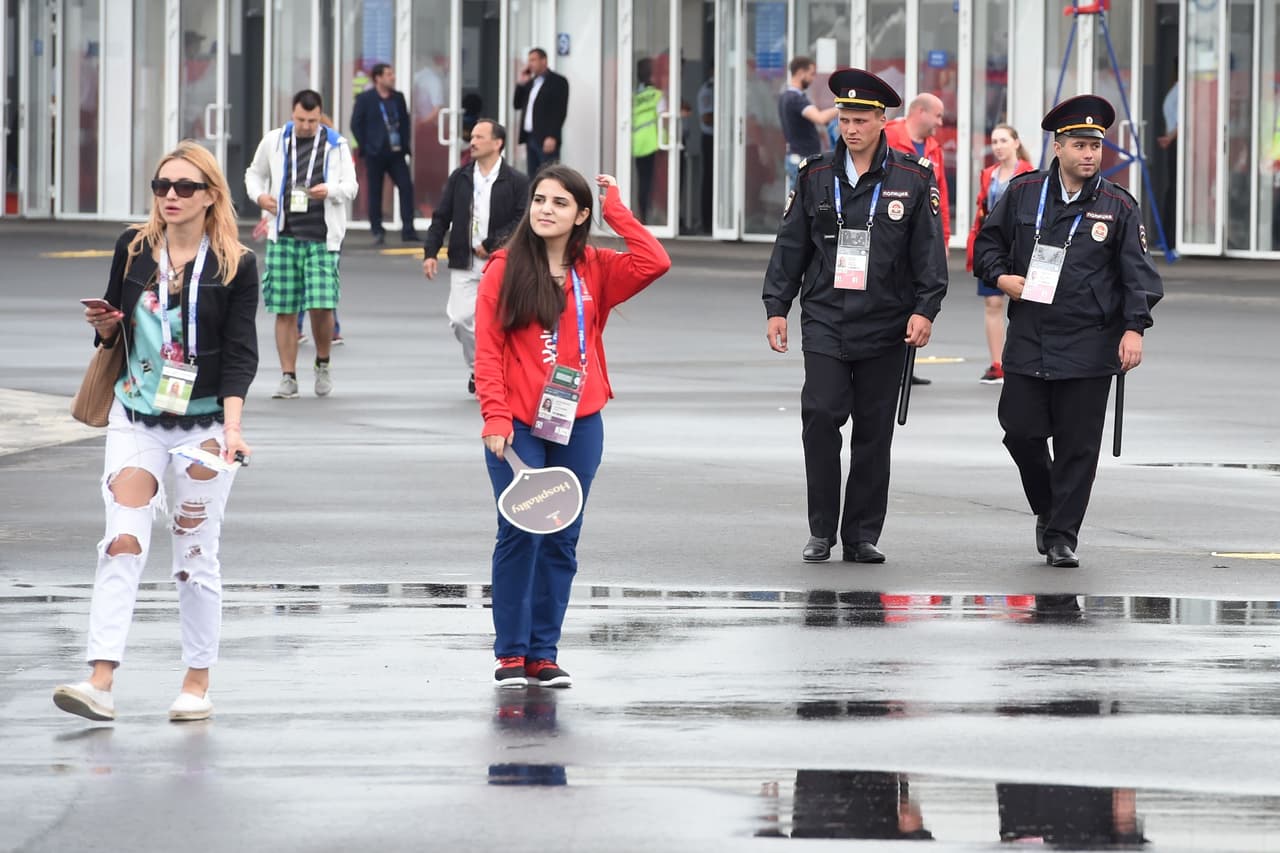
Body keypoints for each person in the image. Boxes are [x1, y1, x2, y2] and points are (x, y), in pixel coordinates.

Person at [52, 141, 259, 723]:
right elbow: (115, 331)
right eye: (162, 185)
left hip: (205, 425)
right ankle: (100, 681)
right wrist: (103, 325)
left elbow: (241, 352)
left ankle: (196, 683)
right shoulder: (135, 247)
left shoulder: (235, 265)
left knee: (194, 554)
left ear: (210, 195)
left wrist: (234, 427)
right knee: (122, 541)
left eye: (185, 187)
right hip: (136, 416)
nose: (171, 195)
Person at [474, 165, 670, 687]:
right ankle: (510, 654)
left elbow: (655, 261)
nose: (545, 210)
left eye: (560, 203)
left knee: (562, 537)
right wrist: (494, 415)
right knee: (522, 532)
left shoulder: (595, 267)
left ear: (581, 215)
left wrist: (617, 212)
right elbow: (488, 350)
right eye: (540, 200)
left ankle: (543, 654)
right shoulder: (503, 268)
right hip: (518, 424)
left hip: (579, 422)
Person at [762, 68, 948, 565]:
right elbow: (791, 245)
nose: (850, 128)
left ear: (882, 120)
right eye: (844, 119)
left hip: (886, 320)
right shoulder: (815, 174)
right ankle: (821, 530)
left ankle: (861, 533)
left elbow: (928, 252)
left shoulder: (913, 177)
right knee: (821, 417)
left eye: (860, 120)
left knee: (873, 430)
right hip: (826, 315)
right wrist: (777, 306)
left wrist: (925, 309)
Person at [973, 95, 1164, 569]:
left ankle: (1061, 536)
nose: (1089, 154)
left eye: (1095, 146)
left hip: (1090, 341)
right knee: (1020, 431)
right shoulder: (1023, 192)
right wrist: (1001, 277)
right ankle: (1049, 506)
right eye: (1079, 145)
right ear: (1057, 147)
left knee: (1078, 446)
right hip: (1031, 335)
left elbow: (1138, 276)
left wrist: (1134, 329)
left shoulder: (1118, 206)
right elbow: (987, 245)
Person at [246, 89, 358, 400]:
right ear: (292, 114)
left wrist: (330, 190)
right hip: (284, 236)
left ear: (320, 116)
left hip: (322, 238)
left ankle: (322, 362)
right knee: (284, 309)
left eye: (312, 120)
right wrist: (260, 197)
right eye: (300, 119)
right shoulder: (275, 140)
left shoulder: (336, 145)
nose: (306, 126)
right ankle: (288, 376)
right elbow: (254, 173)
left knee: (321, 305)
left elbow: (351, 186)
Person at [422, 119, 530, 394]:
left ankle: (491, 372)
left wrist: (493, 244)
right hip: (465, 260)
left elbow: (522, 219)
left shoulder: (516, 181)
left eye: (480, 137)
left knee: (500, 320)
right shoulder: (460, 177)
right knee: (460, 319)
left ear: (498, 143)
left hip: (501, 262)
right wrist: (430, 252)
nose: (472, 142)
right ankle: (479, 368)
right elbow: (441, 216)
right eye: (472, 137)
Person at [885, 93, 951, 387]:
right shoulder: (888, 136)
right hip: (891, 235)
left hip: (920, 238)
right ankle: (888, 364)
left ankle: (905, 365)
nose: (940, 123)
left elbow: (940, 198)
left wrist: (943, 240)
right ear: (920, 111)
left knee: (915, 299)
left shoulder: (934, 148)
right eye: (937, 115)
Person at [964, 123, 1034, 384]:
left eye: (1004, 140)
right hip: (994, 245)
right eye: (994, 142)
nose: (998, 146)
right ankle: (998, 364)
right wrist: (975, 245)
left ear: (1016, 142)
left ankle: (1022, 360)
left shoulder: (1030, 172)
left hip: (1020, 245)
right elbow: (982, 210)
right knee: (992, 303)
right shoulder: (989, 174)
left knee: (1024, 303)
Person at [351, 63, 419, 245]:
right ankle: (377, 230)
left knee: (406, 187)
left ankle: (408, 230)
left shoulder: (398, 98)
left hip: (396, 152)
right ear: (378, 78)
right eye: (388, 74)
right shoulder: (365, 99)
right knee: (375, 191)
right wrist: (366, 146)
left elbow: (405, 122)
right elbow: (355, 124)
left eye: (392, 74)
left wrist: (405, 144)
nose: (392, 77)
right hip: (375, 153)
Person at [778, 57, 838, 196]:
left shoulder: (785, 96)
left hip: (797, 156)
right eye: (811, 74)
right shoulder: (795, 99)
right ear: (801, 73)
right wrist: (842, 107)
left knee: (798, 200)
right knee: (802, 201)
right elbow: (820, 118)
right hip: (801, 158)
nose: (812, 79)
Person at [513, 48, 570, 175]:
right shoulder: (530, 83)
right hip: (530, 137)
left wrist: (552, 136)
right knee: (533, 176)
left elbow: (560, 111)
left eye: (533, 60)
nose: (530, 64)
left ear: (544, 61)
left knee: (548, 175)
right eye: (529, 61)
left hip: (545, 138)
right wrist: (521, 83)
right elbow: (517, 104)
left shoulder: (558, 81)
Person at [632, 57, 664, 224]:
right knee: (653, 184)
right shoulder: (657, 95)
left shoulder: (634, 96)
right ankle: (651, 219)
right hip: (654, 144)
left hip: (637, 144)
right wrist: (664, 142)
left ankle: (643, 217)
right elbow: (664, 120)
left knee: (643, 183)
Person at [697, 68, 715, 233]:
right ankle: (707, 222)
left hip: (719, 141)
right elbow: (707, 118)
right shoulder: (708, 90)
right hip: (710, 139)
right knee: (709, 179)